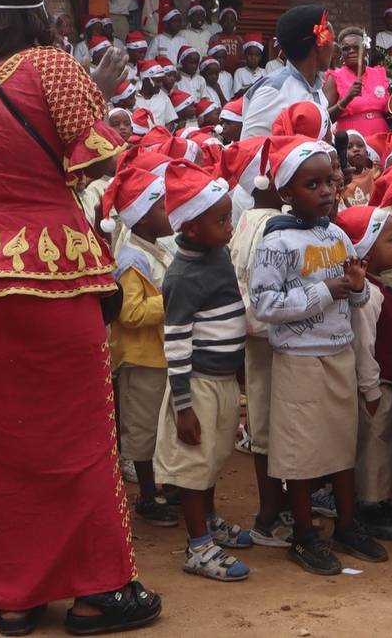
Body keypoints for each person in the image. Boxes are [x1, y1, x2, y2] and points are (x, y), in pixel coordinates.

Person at [0, 0, 161, 634]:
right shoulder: (51, 66)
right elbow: (95, 160)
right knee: (73, 435)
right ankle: (93, 592)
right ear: (33, 11)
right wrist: (96, 92)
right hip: (49, 268)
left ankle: (12, 596)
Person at [249, 137, 388, 575]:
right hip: (300, 359)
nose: (327, 191)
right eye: (313, 185)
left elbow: (357, 299)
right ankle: (304, 534)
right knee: (303, 453)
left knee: (341, 445)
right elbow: (264, 304)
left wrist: (358, 286)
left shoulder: (337, 235)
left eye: (329, 181)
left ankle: (346, 523)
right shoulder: (276, 242)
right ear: (287, 192)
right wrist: (325, 290)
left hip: (338, 353)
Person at [154, 160, 251, 581]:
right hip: (197, 386)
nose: (229, 227)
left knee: (211, 459)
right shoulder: (182, 277)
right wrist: (183, 406)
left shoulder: (218, 255)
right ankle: (198, 546)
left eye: (228, 218)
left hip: (223, 380)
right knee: (193, 467)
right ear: (191, 228)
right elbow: (176, 344)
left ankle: (209, 522)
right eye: (221, 221)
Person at [101, 167, 179, 529]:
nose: (170, 210)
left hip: (160, 355)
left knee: (163, 425)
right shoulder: (132, 259)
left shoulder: (153, 248)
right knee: (144, 428)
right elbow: (129, 313)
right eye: (163, 206)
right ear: (143, 217)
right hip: (142, 359)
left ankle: (166, 487)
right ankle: (148, 495)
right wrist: (172, 300)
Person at [227, 140, 293, 550]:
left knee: (268, 423)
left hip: (261, 336)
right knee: (269, 426)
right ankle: (269, 515)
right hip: (271, 337)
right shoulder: (271, 225)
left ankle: (277, 508)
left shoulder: (250, 217)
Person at [337, 206, 392, 540]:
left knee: (380, 440)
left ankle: (377, 498)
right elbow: (364, 346)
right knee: (374, 442)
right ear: (365, 252)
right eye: (390, 241)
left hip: (386, 381)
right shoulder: (367, 297)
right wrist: (370, 390)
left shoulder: (382, 286)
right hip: (375, 385)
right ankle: (371, 503)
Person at [241, 5, 334, 138]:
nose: (333, 47)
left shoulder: (316, 88)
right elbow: (249, 148)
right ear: (320, 45)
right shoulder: (273, 92)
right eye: (332, 39)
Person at [324, 27, 391, 136]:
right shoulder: (335, 77)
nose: (351, 51)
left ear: (365, 49)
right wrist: (347, 99)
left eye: (356, 47)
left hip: (381, 139)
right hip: (351, 142)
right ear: (341, 53)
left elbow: (388, 112)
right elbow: (324, 118)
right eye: (346, 48)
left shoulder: (379, 74)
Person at [135, 60, 178, 129]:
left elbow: (170, 122)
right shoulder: (133, 98)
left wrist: (162, 134)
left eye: (161, 81)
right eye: (157, 81)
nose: (161, 85)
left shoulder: (164, 97)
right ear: (146, 80)